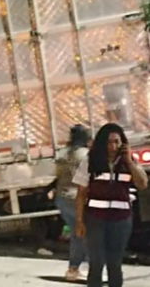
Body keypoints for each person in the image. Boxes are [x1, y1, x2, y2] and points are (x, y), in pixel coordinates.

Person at [73, 123, 148, 287]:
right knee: (97, 262)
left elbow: (142, 183)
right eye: (109, 142)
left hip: (120, 220)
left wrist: (129, 161)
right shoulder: (91, 161)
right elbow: (81, 194)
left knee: (115, 264)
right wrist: (79, 221)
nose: (113, 146)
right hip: (95, 219)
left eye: (116, 142)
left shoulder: (128, 163)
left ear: (123, 143)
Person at [52, 125, 90, 281]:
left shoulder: (62, 154)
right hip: (78, 199)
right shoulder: (86, 155)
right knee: (90, 233)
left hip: (62, 198)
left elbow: (56, 175)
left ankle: (73, 269)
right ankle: (92, 268)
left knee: (77, 233)